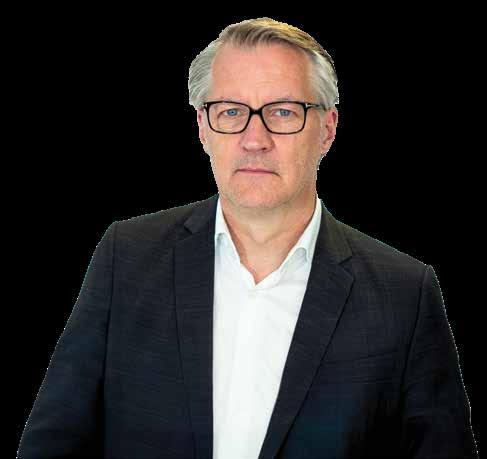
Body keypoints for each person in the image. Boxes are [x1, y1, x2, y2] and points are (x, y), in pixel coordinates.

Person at [18, 17, 478, 459]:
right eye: (232, 112)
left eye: (283, 112)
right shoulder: (127, 256)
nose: (254, 139)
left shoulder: (405, 293)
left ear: (328, 129)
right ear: (203, 127)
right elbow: (53, 443)